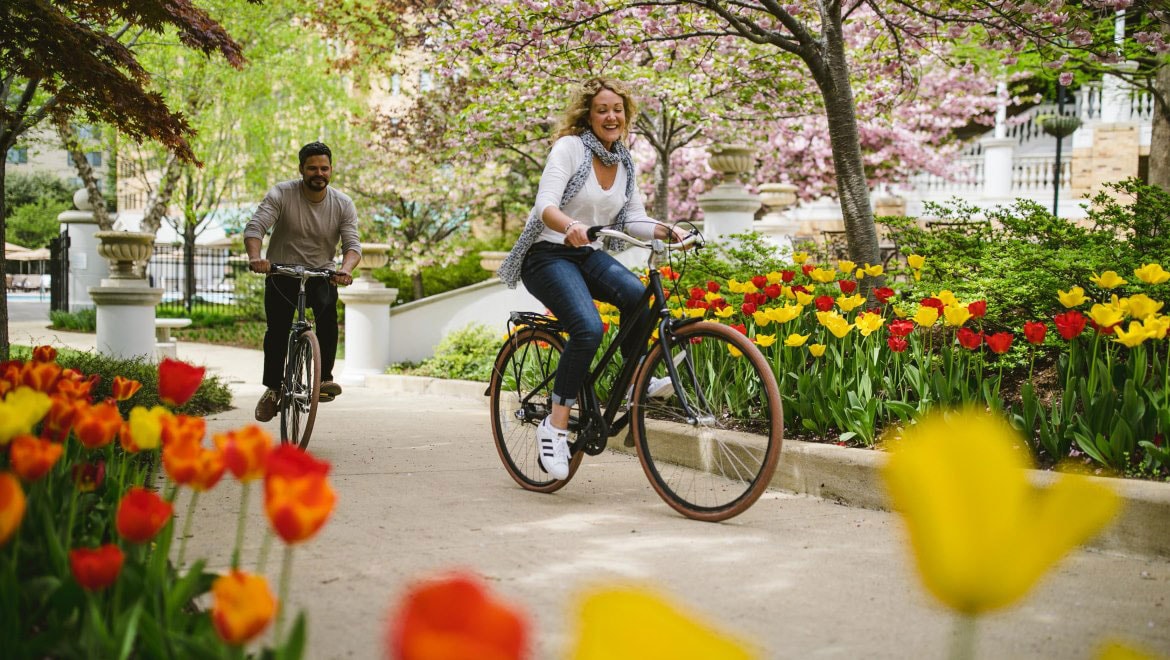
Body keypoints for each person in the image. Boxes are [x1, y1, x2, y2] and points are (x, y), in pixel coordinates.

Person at [495, 77, 686, 480]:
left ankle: (637, 383)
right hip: (547, 255)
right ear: (589, 115)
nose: (611, 116)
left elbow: (634, 219)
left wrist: (666, 230)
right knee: (586, 327)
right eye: (602, 110)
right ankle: (556, 425)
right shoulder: (570, 149)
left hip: (585, 253)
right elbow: (545, 204)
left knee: (638, 298)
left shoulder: (625, 162)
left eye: (617, 109)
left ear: (626, 115)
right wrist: (568, 226)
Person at [244, 141, 362, 422]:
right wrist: (256, 257)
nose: (318, 173)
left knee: (327, 315)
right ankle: (273, 389)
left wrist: (344, 269)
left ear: (331, 169)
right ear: (301, 169)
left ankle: (324, 380)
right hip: (281, 272)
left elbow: (352, 245)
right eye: (312, 168)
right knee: (277, 330)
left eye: (324, 168)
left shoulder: (343, 203)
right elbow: (255, 227)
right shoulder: (282, 194)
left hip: (321, 273)